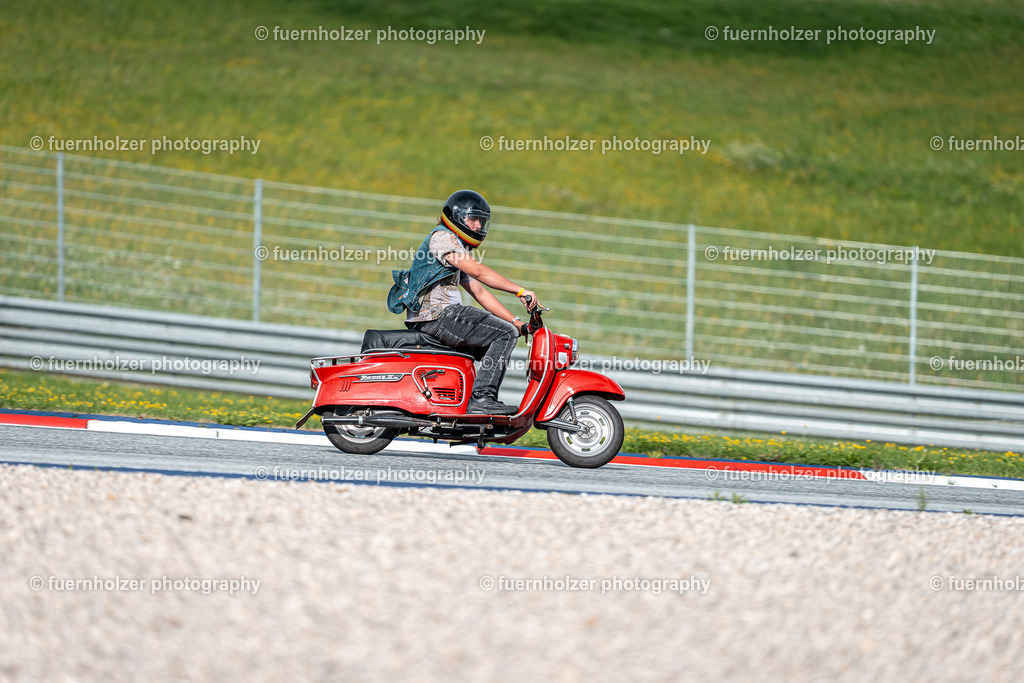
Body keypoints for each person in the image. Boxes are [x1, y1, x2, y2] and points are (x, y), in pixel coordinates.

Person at [386, 190, 539, 415]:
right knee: (503, 335)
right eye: (472, 219)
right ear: (457, 217)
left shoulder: (456, 245)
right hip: (438, 314)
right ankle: (481, 398)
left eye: (481, 221)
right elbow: (479, 272)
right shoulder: (442, 238)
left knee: (505, 332)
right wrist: (520, 291)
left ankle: (462, 400)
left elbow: (479, 290)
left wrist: (515, 321)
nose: (477, 226)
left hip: (439, 315)